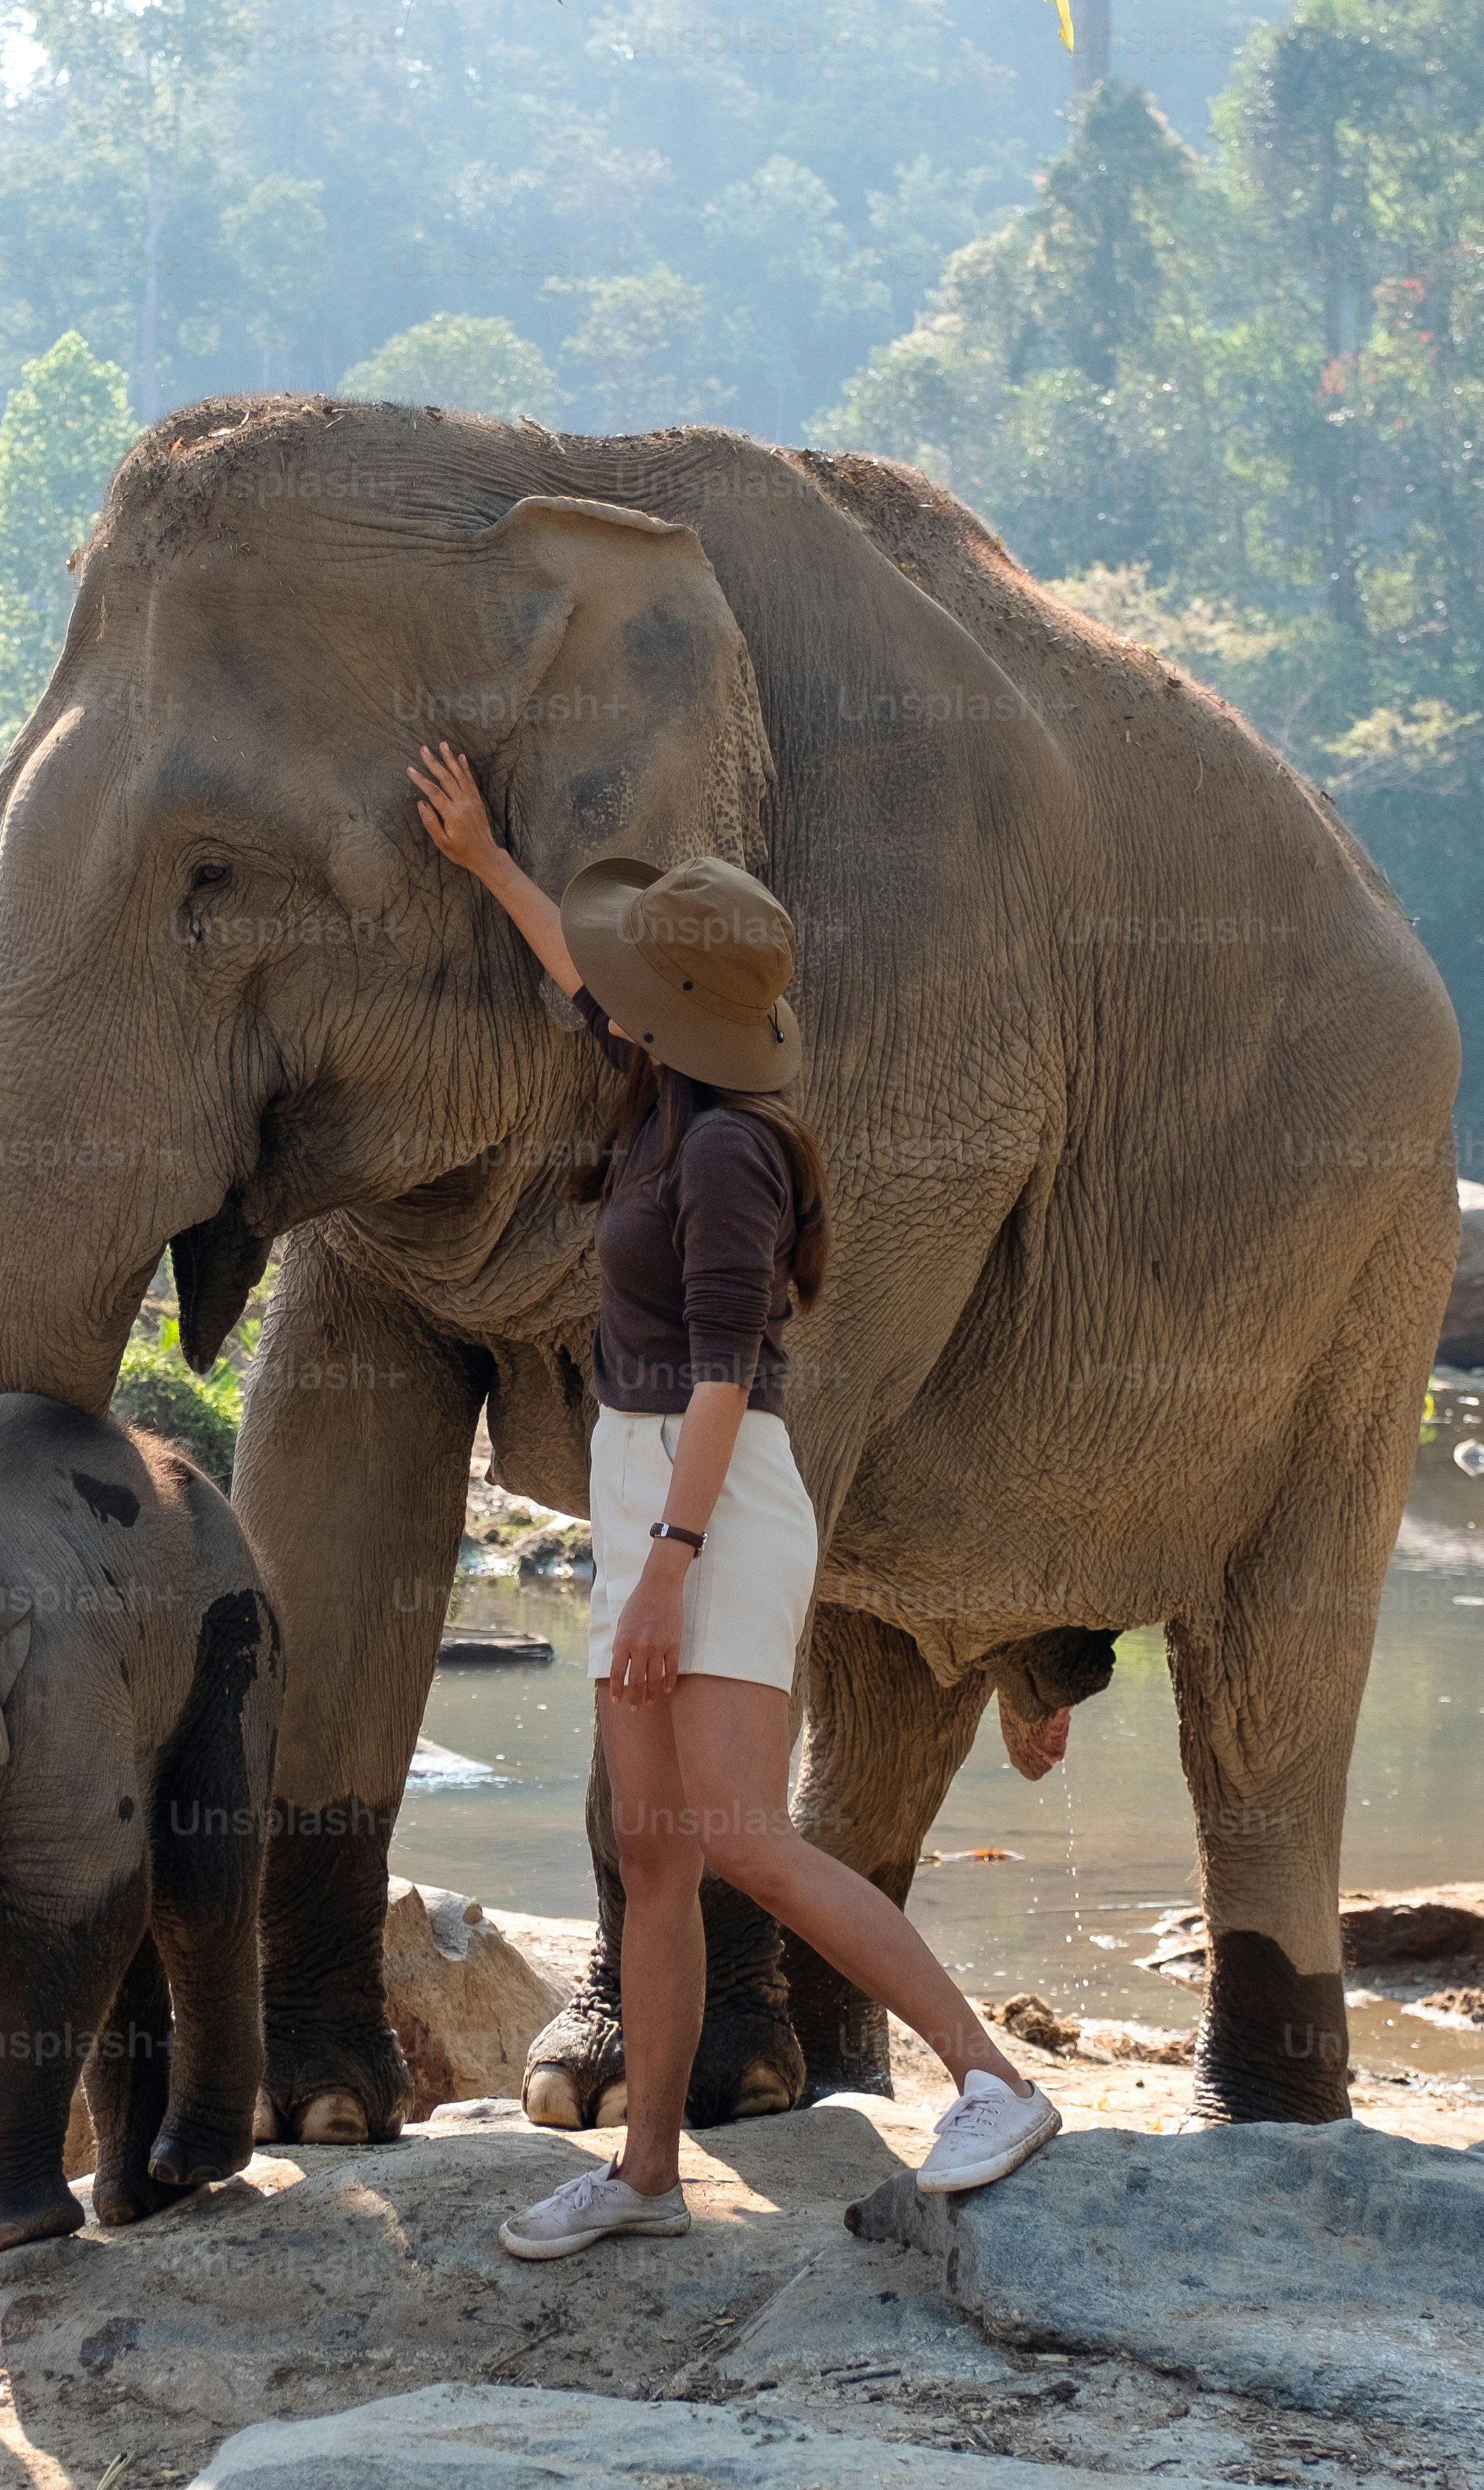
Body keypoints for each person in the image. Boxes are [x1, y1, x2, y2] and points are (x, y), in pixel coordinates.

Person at [406, 743, 1061, 2263]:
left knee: (744, 1836)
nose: (615, 984)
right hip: (653, 1496)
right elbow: (583, 977)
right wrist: (489, 858)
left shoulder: (729, 1148)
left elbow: (721, 1374)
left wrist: (661, 1569)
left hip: (720, 1502)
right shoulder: (660, 1084)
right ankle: (645, 2170)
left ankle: (994, 2076)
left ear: (685, 1005)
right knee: (652, 1849)